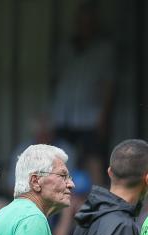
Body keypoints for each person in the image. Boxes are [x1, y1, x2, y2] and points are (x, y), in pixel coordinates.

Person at [50, 1, 116, 178]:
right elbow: (56, 80)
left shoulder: (104, 49)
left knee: (93, 159)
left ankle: (97, 200)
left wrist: (104, 116)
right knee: (60, 158)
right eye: (81, 22)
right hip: (64, 114)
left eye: (88, 22)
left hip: (90, 117)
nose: (84, 26)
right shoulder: (65, 48)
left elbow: (109, 84)